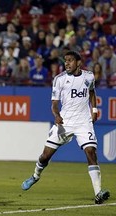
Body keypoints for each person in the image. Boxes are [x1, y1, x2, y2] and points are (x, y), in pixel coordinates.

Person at [21, 50, 110, 204]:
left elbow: (92, 92)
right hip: (64, 122)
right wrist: (56, 115)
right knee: (45, 156)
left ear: (78, 62)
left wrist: (94, 110)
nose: (66, 63)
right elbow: (54, 103)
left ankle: (98, 193)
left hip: (83, 122)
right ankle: (35, 176)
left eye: (70, 60)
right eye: (65, 61)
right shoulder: (59, 79)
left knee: (91, 152)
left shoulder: (88, 76)